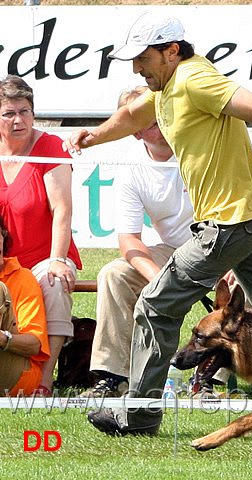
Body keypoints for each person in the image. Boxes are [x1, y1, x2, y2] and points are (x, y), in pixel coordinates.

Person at [63, 12, 252, 435]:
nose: (136, 68)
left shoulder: (193, 80)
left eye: (142, 58)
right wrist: (93, 135)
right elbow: (132, 115)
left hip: (228, 223)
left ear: (172, 50)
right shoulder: (167, 85)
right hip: (250, 216)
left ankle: (139, 416)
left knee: (155, 305)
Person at [81, 86, 193, 398]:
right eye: (151, 122)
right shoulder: (130, 170)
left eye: (163, 115)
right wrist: (159, 279)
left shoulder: (199, 146)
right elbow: (129, 240)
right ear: (134, 133)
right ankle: (113, 377)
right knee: (113, 274)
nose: (162, 125)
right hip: (174, 251)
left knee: (247, 276)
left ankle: (212, 380)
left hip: (221, 242)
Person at [0, 75, 82, 396]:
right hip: (4, 262)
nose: (18, 120)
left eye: (25, 111)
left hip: (43, 258)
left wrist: (57, 259)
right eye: (9, 113)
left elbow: (62, 210)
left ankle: (44, 382)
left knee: (53, 281)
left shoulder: (50, 148)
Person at [0, 213, 49, 397]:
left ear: (3, 237)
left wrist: (5, 339)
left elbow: (34, 344)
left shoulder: (22, 278)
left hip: (16, 374)